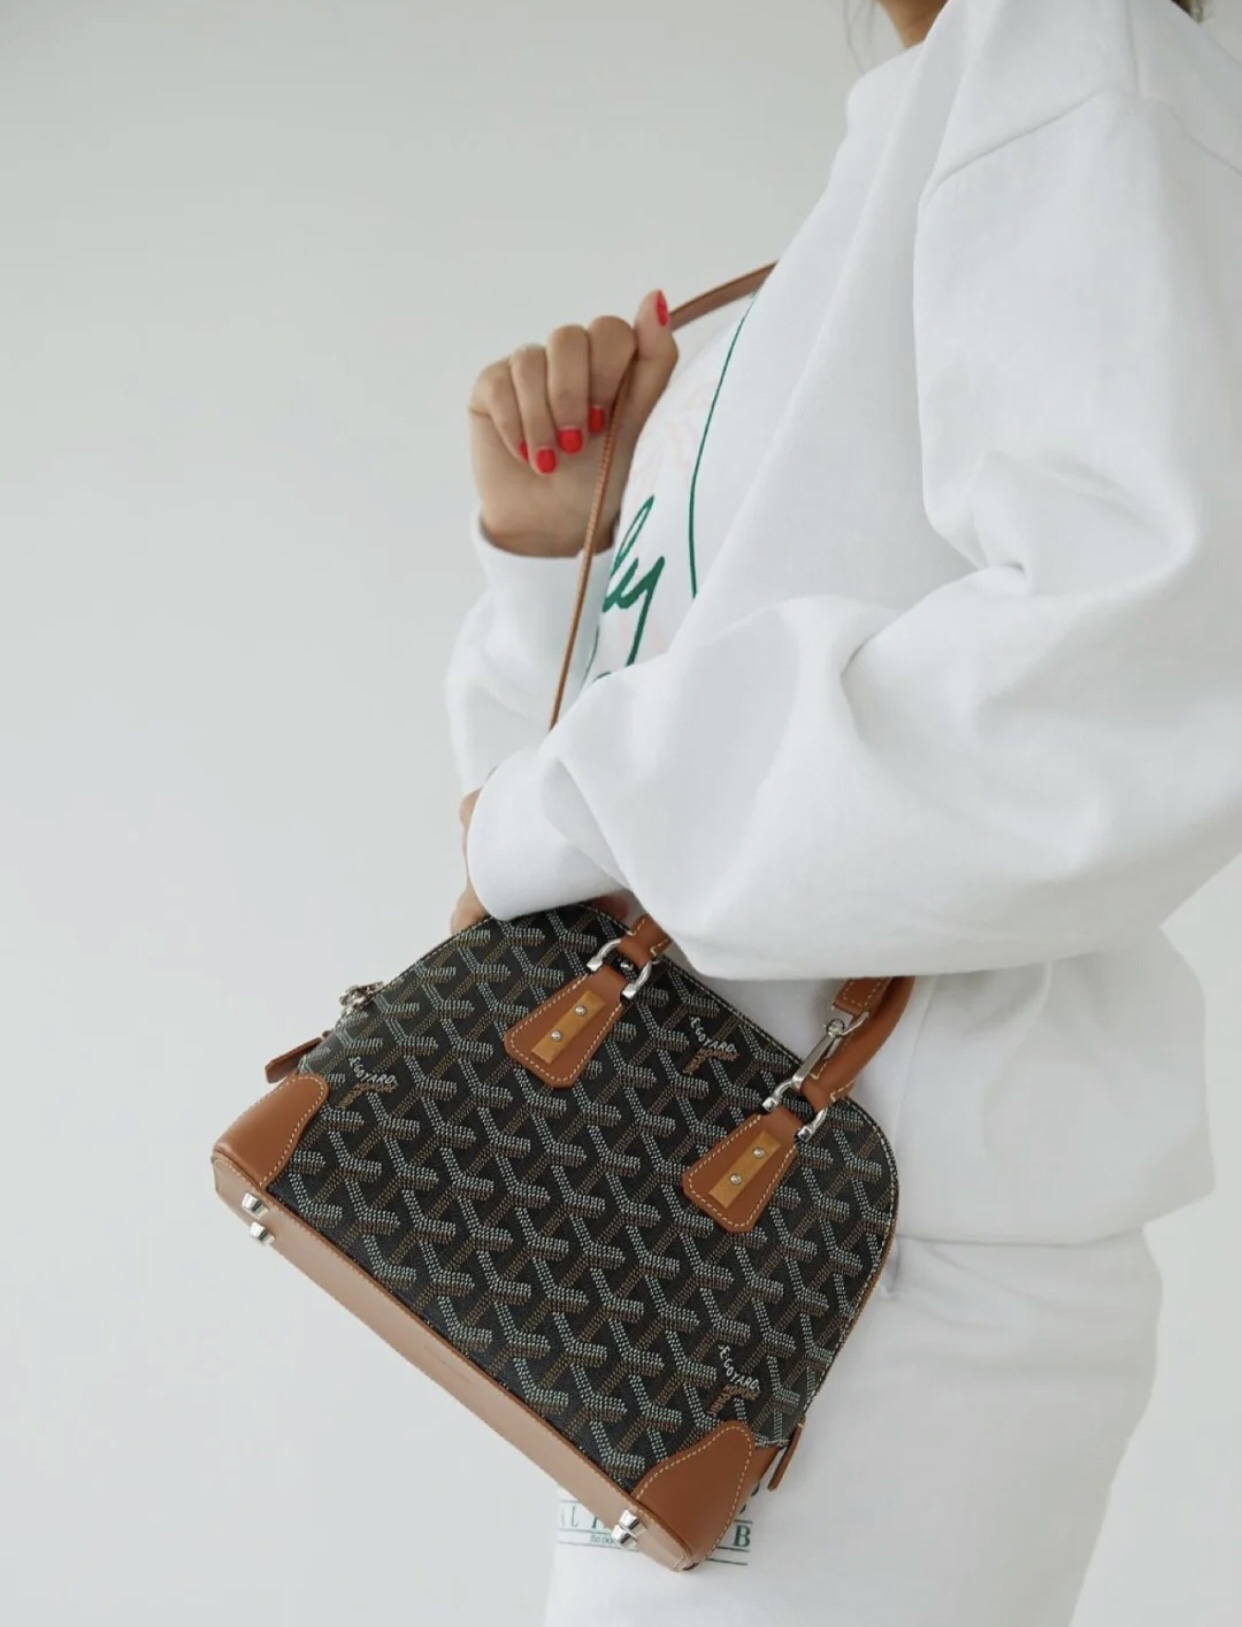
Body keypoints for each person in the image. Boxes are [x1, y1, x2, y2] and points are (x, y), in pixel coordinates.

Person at [442, 0, 1240, 1621]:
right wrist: (551, 561)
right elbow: (538, 850)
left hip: (861, 1248)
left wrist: (561, 808)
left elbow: (1136, 660)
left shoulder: (1074, 50)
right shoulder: (880, 170)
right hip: (654, 1216)